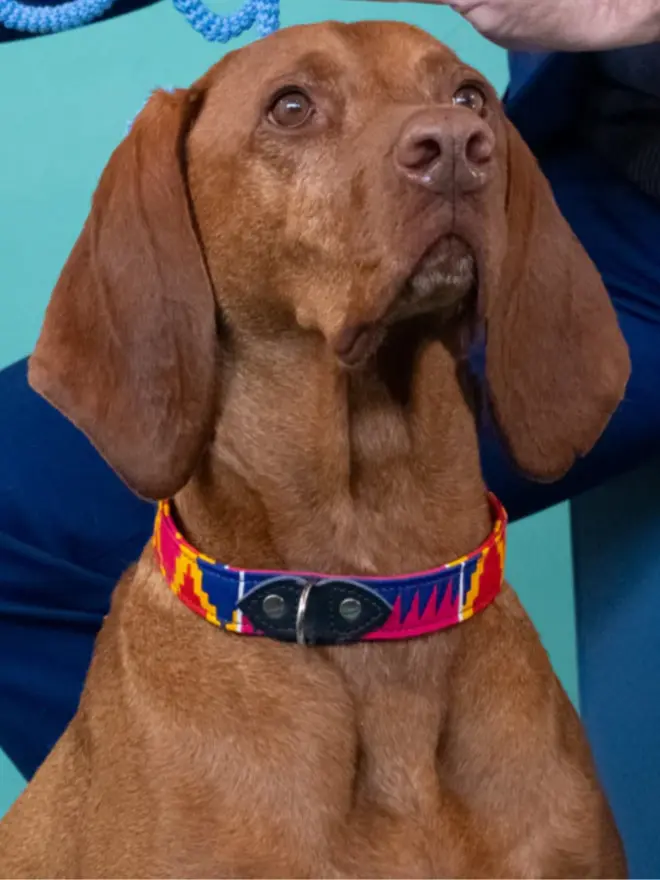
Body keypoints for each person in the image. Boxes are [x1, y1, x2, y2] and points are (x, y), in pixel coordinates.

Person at [2, 0, 659, 808]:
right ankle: (201, 822)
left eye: (463, 104)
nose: (449, 132)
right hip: (607, 162)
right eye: (293, 111)